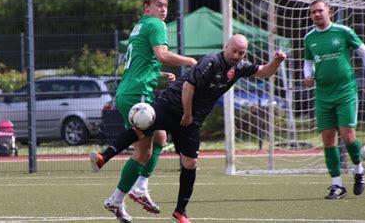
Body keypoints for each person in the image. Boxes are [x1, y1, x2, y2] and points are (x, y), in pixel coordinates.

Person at [103, 34, 286, 223]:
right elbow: (188, 87)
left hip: (191, 120)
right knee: (141, 129)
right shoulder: (211, 62)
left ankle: (179, 212)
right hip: (172, 106)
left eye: (241, 52)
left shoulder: (240, 66)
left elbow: (264, 72)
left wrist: (276, 62)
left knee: (190, 163)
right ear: (226, 46)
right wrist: (188, 114)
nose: (237, 55)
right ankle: (104, 158)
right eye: (234, 51)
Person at [89, 0, 197, 222]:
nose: (163, 9)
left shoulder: (140, 26)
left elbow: (142, 63)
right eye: (158, 5)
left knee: (160, 139)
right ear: (146, 7)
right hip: (137, 95)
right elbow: (162, 54)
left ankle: (139, 187)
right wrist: (189, 60)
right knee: (143, 152)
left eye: (165, 5)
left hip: (130, 92)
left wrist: (160, 75)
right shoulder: (156, 25)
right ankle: (117, 200)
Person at [303, 0, 365, 199]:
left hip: (345, 92)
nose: (317, 15)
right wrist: (307, 75)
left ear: (330, 12)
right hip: (322, 95)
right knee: (328, 140)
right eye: (313, 12)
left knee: (348, 136)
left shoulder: (343, 32)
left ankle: (359, 170)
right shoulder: (309, 38)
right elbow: (308, 60)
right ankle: (337, 185)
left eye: (320, 11)